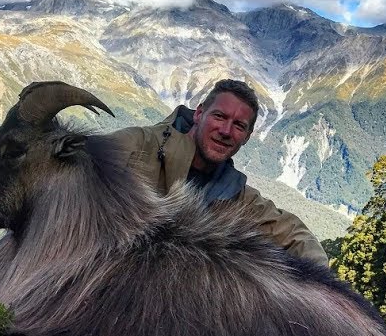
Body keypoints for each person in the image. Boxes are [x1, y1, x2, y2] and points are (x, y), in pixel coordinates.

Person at [108, 79, 329, 266]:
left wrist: (324, 287)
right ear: (199, 114)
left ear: (247, 136)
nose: (226, 131)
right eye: (219, 116)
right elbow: (88, 170)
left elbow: (293, 234)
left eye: (239, 125)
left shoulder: (236, 194)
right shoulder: (138, 145)